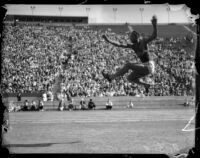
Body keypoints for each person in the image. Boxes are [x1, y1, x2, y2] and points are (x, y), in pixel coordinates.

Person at [102, 15, 158, 94]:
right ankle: (145, 85)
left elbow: (154, 36)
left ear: (136, 37)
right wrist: (108, 40)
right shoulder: (133, 46)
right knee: (130, 78)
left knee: (128, 65)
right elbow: (119, 44)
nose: (130, 38)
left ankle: (111, 77)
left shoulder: (143, 42)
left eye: (131, 36)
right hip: (145, 67)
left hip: (149, 66)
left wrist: (154, 25)